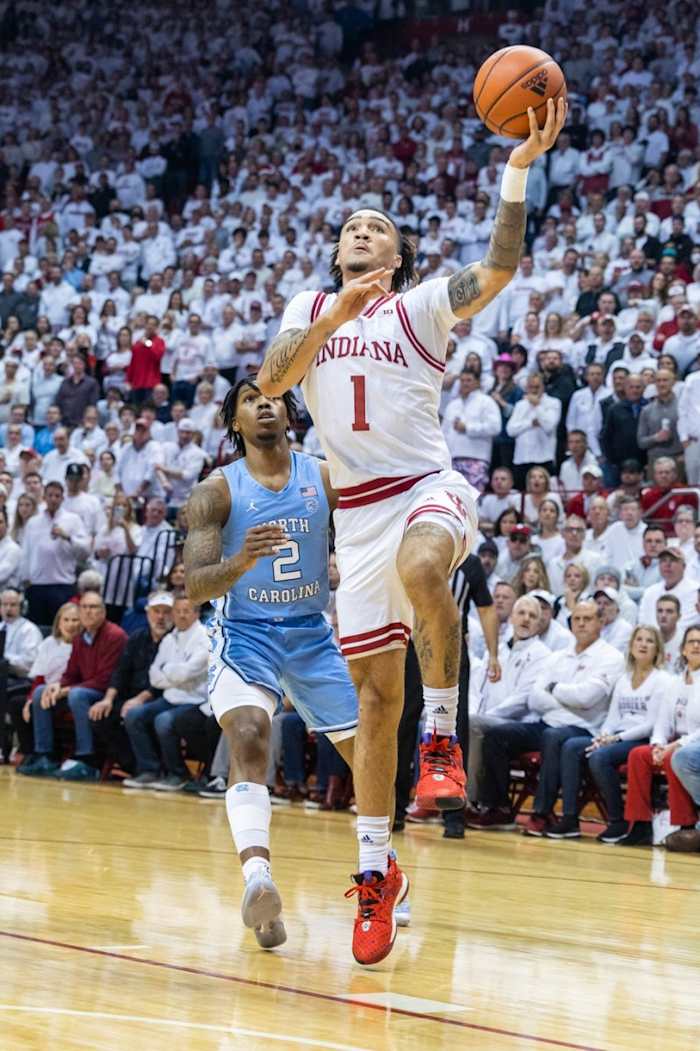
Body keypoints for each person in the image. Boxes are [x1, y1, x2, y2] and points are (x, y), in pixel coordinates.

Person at [256, 97, 566, 963]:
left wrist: (516, 169)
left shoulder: (423, 307)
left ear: (397, 256)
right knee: (369, 705)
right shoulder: (307, 307)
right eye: (352, 224)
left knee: (426, 562)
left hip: (427, 486)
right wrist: (329, 317)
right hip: (352, 519)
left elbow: (499, 265)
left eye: (377, 225)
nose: (361, 227)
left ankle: (443, 737)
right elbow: (273, 381)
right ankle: (375, 873)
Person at [183, 378, 361, 953]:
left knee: (369, 758)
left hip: (311, 634)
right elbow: (195, 586)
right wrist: (241, 561)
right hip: (246, 633)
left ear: (287, 410)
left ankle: (384, 872)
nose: (264, 403)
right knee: (251, 734)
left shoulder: (325, 475)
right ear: (234, 422)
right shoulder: (216, 492)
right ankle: (258, 879)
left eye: (272, 396)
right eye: (249, 399)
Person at [478, 601, 624, 837]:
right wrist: (569, 698)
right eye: (577, 619)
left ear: (601, 622)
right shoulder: (558, 656)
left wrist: (554, 688)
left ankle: (542, 812)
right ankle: (498, 807)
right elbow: (535, 699)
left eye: (588, 619)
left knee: (553, 736)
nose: (581, 624)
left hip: (584, 728)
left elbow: (588, 698)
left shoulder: (611, 657)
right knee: (497, 735)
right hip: (548, 722)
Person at [545, 625, 669, 842]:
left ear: (657, 649)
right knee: (572, 746)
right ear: (630, 647)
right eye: (639, 639)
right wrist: (603, 736)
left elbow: (652, 724)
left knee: (600, 757)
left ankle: (618, 820)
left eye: (649, 641)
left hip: (641, 740)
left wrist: (615, 739)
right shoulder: (623, 679)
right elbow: (612, 717)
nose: (643, 644)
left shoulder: (662, 680)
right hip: (616, 737)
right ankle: (570, 818)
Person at [465, 595, 550, 830]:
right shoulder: (498, 648)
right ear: (512, 617)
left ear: (539, 624)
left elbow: (523, 699)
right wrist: (474, 712)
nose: (526, 619)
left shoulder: (542, 655)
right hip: (483, 717)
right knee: (460, 721)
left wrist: (485, 716)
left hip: (520, 722)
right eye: (521, 613)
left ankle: (469, 801)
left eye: (533, 616)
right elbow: (476, 685)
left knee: (474, 725)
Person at [24, 590, 127, 780]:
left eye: (93, 607)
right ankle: (45, 755)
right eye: (84, 607)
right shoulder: (81, 637)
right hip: (84, 689)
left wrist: (67, 689)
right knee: (41, 691)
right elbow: (71, 673)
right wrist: (58, 686)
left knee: (77, 695)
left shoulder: (115, 635)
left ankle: (86, 759)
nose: (88, 612)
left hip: (108, 694)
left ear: (103, 612)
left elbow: (106, 678)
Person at [622, 626, 700, 847]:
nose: (696, 646)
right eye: (691, 642)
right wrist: (657, 744)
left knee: (672, 757)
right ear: (683, 650)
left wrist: (674, 745)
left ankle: (685, 824)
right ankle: (640, 825)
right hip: (673, 741)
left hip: (691, 744)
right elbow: (662, 721)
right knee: (638, 755)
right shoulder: (674, 683)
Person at [121, 593, 208, 791]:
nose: (181, 615)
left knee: (163, 721)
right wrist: (174, 672)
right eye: (177, 611)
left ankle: (178, 773)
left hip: (194, 700)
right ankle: (150, 770)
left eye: (186, 611)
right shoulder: (169, 638)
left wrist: (168, 669)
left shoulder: (205, 638)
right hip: (170, 697)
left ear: (196, 613)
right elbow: (154, 676)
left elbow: (188, 672)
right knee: (134, 715)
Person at [14, 602, 81, 768]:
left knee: (45, 700)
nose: (70, 624)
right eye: (66, 620)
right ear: (59, 622)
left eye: (75, 620)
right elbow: (39, 678)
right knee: (17, 704)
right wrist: (30, 700)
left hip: (67, 693)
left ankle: (47, 754)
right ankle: (31, 752)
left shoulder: (83, 646)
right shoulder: (49, 643)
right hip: (43, 690)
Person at [18, 480, 89, 624]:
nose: (53, 499)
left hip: (62, 584)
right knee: (38, 628)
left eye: (57, 496)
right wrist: (25, 579)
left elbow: (85, 550)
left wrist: (67, 537)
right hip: (38, 585)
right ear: (44, 497)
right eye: (50, 495)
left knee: (63, 629)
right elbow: (26, 553)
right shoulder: (33, 522)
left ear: (63, 498)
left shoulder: (73, 520)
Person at [0, 588, 43, 761]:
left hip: (21, 680)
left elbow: (30, 663)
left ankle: (3, 744)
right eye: (4, 604)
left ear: (22, 607)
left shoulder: (29, 630)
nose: (8, 609)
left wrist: (5, 660)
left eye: (13, 605)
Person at [441, 369, 501, 492]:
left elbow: (495, 427)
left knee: (473, 500)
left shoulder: (487, 402)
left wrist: (468, 428)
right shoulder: (452, 405)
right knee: (453, 500)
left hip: (476, 458)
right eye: (462, 380)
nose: (465, 383)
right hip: (452, 460)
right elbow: (443, 433)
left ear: (477, 382)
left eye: (469, 380)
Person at [639, 546, 699, 630]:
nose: (667, 564)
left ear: (684, 566)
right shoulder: (650, 592)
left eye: (673, 560)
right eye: (663, 560)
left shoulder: (696, 591)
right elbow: (643, 624)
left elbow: (686, 626)